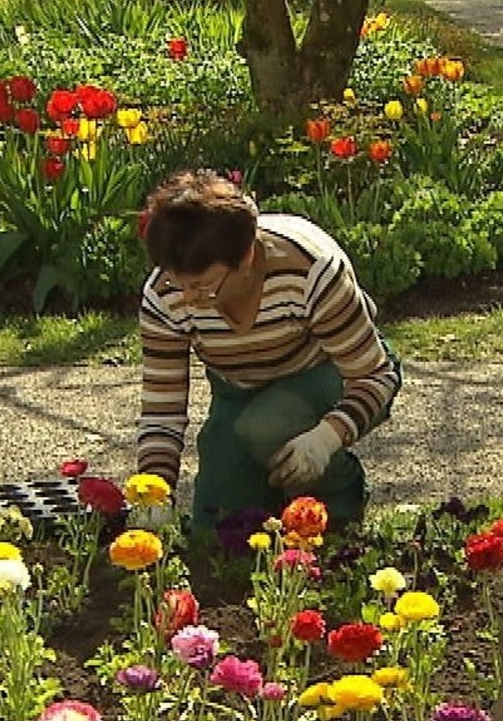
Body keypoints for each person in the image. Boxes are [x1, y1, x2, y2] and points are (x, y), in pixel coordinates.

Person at [134, 169, 401, 534]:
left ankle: (339, 501)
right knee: (217, 530)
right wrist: (154, 491)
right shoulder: (165, 294)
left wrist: (326, 439)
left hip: (326, 370)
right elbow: (162, 410)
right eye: (176, 282)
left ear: (245, 257)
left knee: (267, 427)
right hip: (240, 388)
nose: (187, 298)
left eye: (202, 287)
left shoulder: (312, 270)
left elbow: (375, 376)